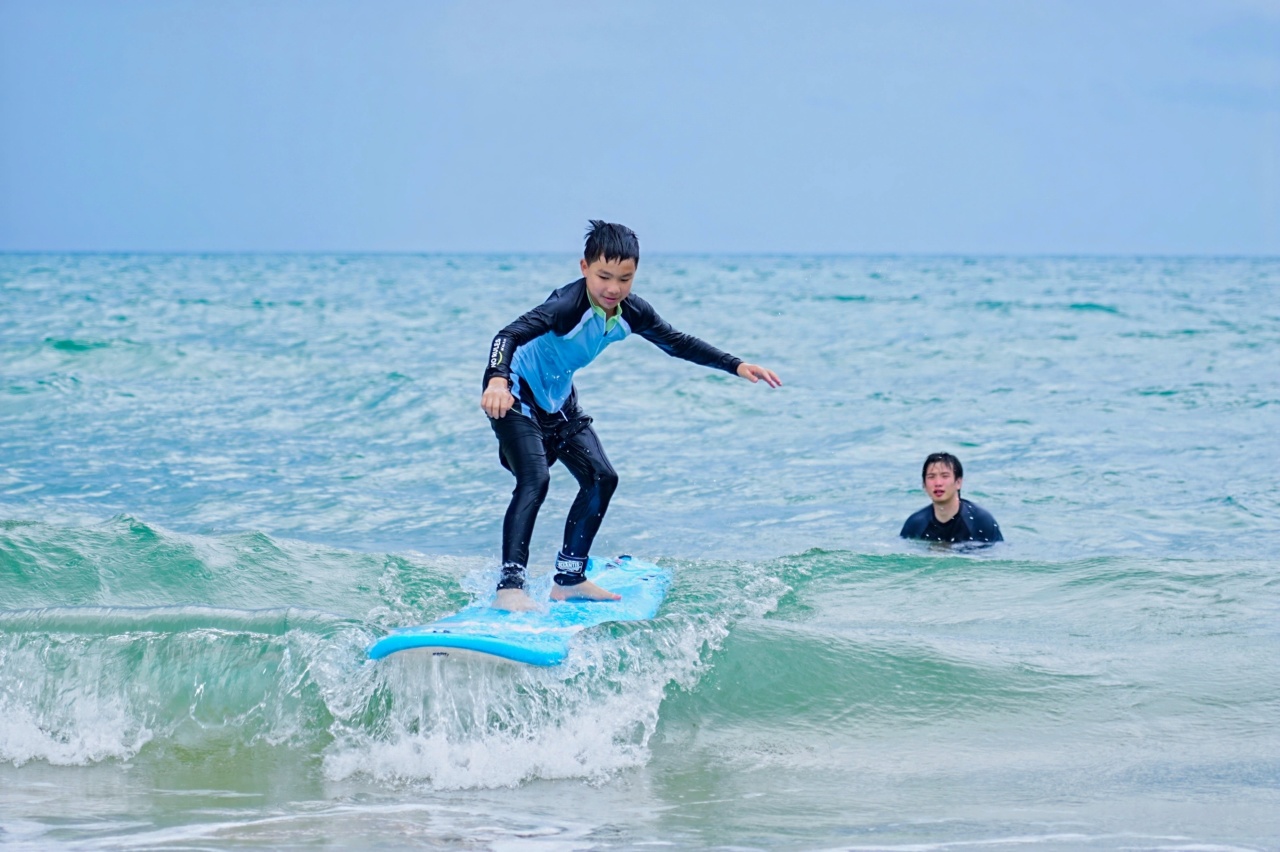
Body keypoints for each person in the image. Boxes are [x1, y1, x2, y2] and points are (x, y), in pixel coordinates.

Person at [481, 221, 782, 611]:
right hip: (515, 392)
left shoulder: (631, 311)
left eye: (624, 279)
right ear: (584, 268)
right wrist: (497, 380)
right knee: (535, 479)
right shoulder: (565, 306)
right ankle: (510, 588)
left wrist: (735, 364)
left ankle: (569, 579)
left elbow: (677, 342)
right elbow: (506, 335)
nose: (613, 288)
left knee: (601, 478)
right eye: (604, 276)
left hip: (557, 400)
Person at [900, 452, 1003, 544]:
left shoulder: (981, 522)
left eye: (945, 476)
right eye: (931, 477)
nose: (938, 483)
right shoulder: (915, 524)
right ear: (924, 485)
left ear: (958, 482)